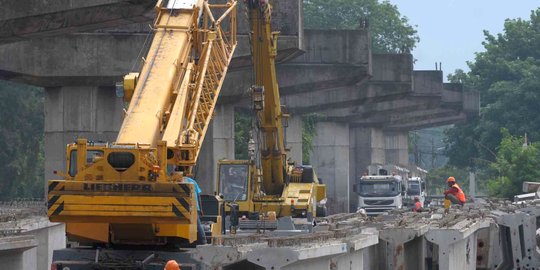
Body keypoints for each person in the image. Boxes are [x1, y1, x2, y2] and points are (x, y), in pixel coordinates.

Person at [182, 176, 207, 244]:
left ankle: (203, 240)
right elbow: (198, 196)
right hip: (194, 206)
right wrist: (201, 209)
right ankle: (202, 240)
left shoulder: (177, 181)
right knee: (197, 224)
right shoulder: (192, 181)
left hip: (187, 207)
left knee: (197, 224)